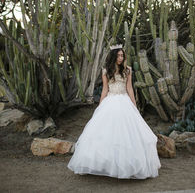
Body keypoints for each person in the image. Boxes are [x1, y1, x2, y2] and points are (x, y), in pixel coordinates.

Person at [67, 44, 161, 179]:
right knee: (105, 134)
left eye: (122, 55)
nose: (121, 58)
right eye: (118, 55)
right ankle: (104, 165)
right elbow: (105, 89)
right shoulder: (106, 71)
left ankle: (128, 166)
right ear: (113, 56)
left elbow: (129, 89)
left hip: (124, 102)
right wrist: (99, 107)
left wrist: (134, 107)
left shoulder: (128, 70)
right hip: (110, 102)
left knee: (127, 135)